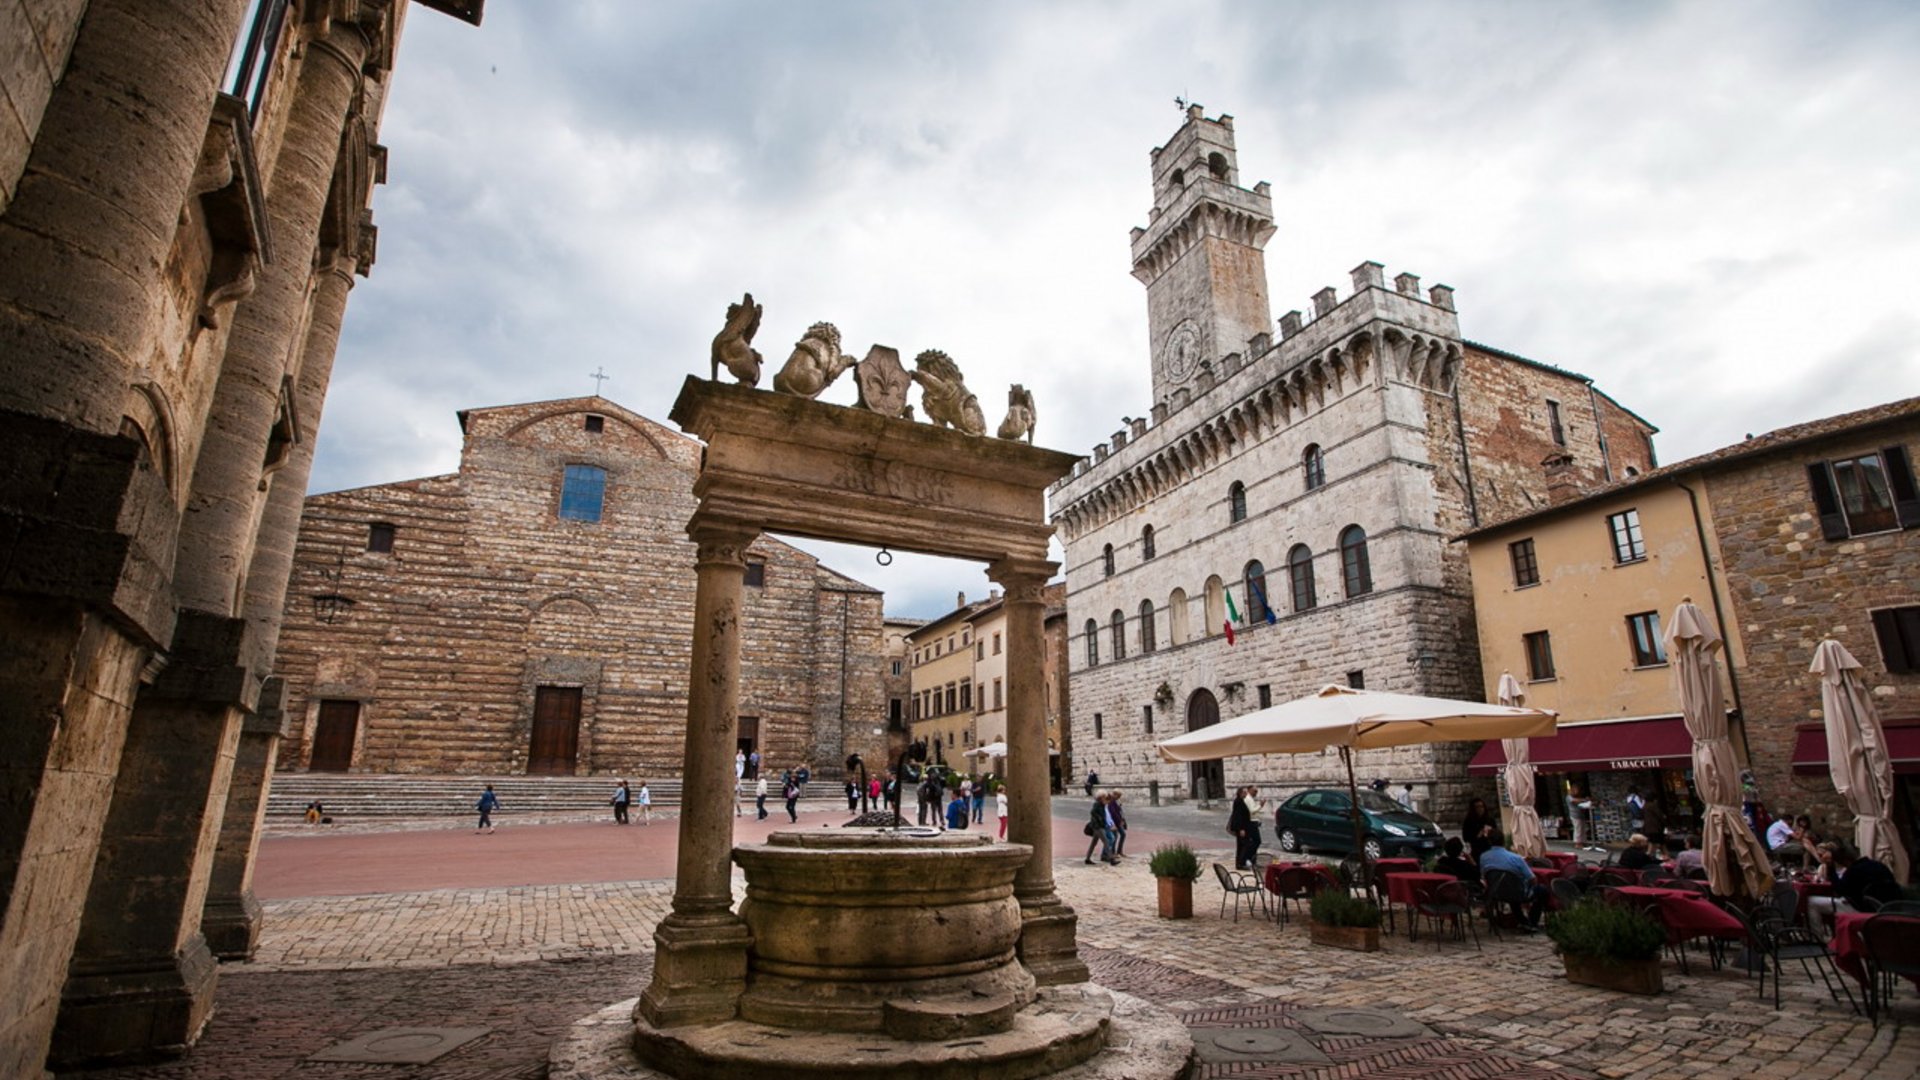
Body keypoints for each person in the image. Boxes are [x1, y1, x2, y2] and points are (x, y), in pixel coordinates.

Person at [1478, 831, 1549, 929]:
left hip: (1496, 892)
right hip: (1517, 891)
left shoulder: (1483, 857)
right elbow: (1532, 879)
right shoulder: (1515, 858)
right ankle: (1532, 921)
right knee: (1542, 890)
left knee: (1510, 887)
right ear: (1503, 841)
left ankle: (1523, 921)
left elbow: (1483, 875)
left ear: (1489, 842)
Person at [1085, 792, 1117, 865]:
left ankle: (1087, 858)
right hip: (1098, 826)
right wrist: (1100, 820)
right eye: (1104, 798)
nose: (1105, 799)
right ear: (1101, 798)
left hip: (1098, 826)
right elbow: (1093, 813)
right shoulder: (1097, 805)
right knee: (1106, 841)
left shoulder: (1101, 805)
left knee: (1094, 843)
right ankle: (1111, 859)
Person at [1109, 790, 1129, 858]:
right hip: (1114, 822)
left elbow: (1120, 811)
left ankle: (1119, 851)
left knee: (1123, 834)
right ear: (1114, 794)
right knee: (1114, 837)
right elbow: (1113, 813)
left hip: (1119, 821)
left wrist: (1122, 820)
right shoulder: (1111, 802)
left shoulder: (1116, 801)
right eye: (1118, 796)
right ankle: (1113, 852)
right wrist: (1119, 821)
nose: (1119, 797)